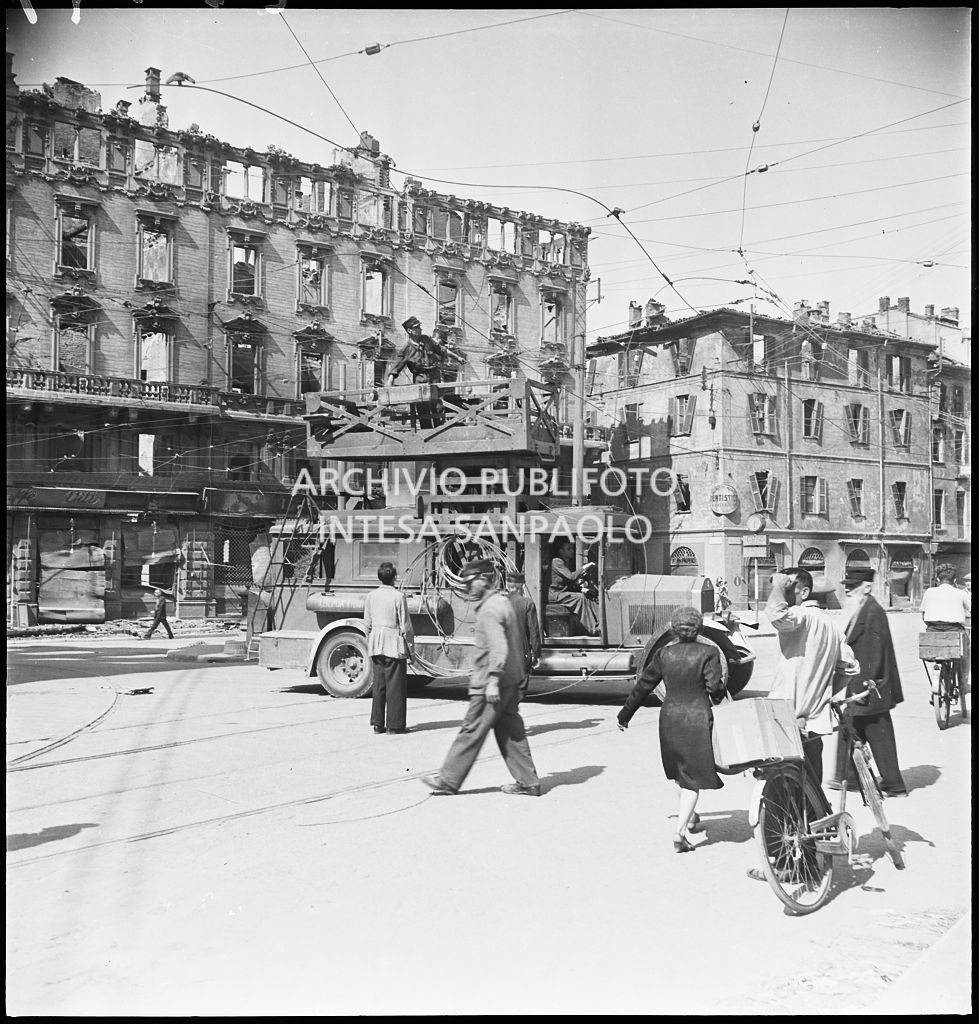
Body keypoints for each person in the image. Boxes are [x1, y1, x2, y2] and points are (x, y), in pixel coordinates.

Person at [421, 558, 541, 797]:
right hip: (510, 680)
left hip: (490, 683)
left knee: (471, 729)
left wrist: (493, 680)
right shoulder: (502, 602)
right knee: (511, 732)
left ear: (484, 579)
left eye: (470, 582)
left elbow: (499, 647)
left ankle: (447, 781)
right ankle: (528, 782)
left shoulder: (489, 609)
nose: (467, 588)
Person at [617, 606, 725, 853]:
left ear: (673, 629)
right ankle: (680, 833)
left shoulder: (664, 654)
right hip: (697, 719)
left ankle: (691, 815)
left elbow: (643, 686)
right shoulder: (708, 652)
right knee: (692, 779)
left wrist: (624, 715)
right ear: (699, 629)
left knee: (678, 772)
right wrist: (720, 695)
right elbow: (714, 688)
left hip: (669, 718)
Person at [765, 568, 859, 790]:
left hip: (786, 713)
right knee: (812, 776)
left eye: (790, 588)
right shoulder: (831, 625)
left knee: (781, 782)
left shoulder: (801, 616)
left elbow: (777, 615)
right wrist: (823, 695)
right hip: (815, 716)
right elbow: (850, 667)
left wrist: (778, 586)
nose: (784, 593)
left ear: (805, 592)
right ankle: (815, 811)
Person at [829, 567, 907, 797]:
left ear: (867, 587)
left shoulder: (873, 612)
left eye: (853, 586)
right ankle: (849, 778)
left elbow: (875, 654)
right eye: (847, 586)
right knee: (854, 729)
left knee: (875, 733)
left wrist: (864, 686)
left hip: (871, 686)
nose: (848, 591)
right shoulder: (861, 609)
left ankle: (892, 783)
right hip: (863, 684)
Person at [363, 561, 414, 735]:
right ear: (394, 577)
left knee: (379, 685)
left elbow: (367, 624)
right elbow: (405, 626)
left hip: (376, 643)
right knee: (395, 686)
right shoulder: (399, 597)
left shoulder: (371, 596)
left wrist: (371, 641)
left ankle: (378, 724)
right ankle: (394, 725)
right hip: (393, 644)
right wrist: (411, 649)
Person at [920, 562, 971, 693]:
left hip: (932, 632)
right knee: (968, 650)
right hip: (955, 632)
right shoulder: (960, 593)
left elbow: (923, 615)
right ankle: (964, 683)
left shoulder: (929, 592)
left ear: (937, 579)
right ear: (955, 580)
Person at [547, 539, 599, 635]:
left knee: (588, 596)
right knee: (580, 598)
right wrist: (585, 567)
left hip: (561, 593)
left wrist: (583, 589)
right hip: (554, 594)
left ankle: (599, 624)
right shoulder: (557, 562)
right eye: (569, 549)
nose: (572, 551)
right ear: (561, 551)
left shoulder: (567, 562)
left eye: (572, 548)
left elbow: (569, 583)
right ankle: (593, 629)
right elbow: (571, 577)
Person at [505, 570, 542, 702]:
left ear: (507, 585)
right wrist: (536, 654)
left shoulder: (498, 603)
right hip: (521, 655)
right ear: (522, 586)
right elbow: (534, 632)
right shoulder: (527, 603)